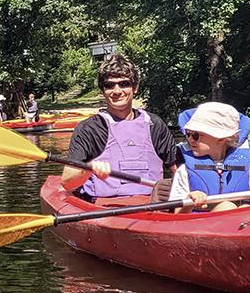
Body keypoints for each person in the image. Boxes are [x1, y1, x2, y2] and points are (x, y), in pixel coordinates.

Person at [61, 52, 180, 200]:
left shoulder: (155, 125)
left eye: (124, 84)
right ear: (102, 90)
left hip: (153, 206)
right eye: (109, 85)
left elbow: (180, 171)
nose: (117, 91)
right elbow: (67, 181)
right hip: (103, 208)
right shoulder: (89, 129)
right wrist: (88, 168)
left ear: (135, 87)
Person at [169, 101, 250, 212]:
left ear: (221, 139)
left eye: (196, 135)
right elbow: (177, 214)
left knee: (244, 208)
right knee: (227, 206)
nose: (189, 139)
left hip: (242, 219)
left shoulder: (247, 167)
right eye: (188, 133)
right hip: (200, 223)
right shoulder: (184, 170)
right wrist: (189, 202)